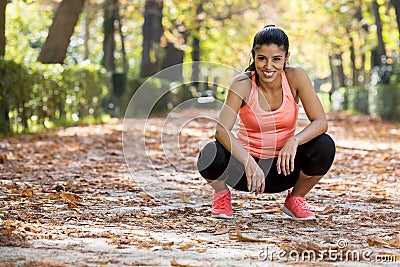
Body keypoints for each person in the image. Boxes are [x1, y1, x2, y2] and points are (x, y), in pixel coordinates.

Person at [197, 25, 335, 220]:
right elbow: (221, 130)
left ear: (286, 57)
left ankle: (295, 199)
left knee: (325, 145)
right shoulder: (242, 84)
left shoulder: (296, 77)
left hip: (284, 169)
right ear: (254, 56)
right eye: (262, 58)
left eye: (276, 59)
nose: (268, 67)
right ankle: (221, 195)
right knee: (209, 151)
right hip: (245, 173)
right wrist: (247, 161)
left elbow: (320, 122)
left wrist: (294, 141)